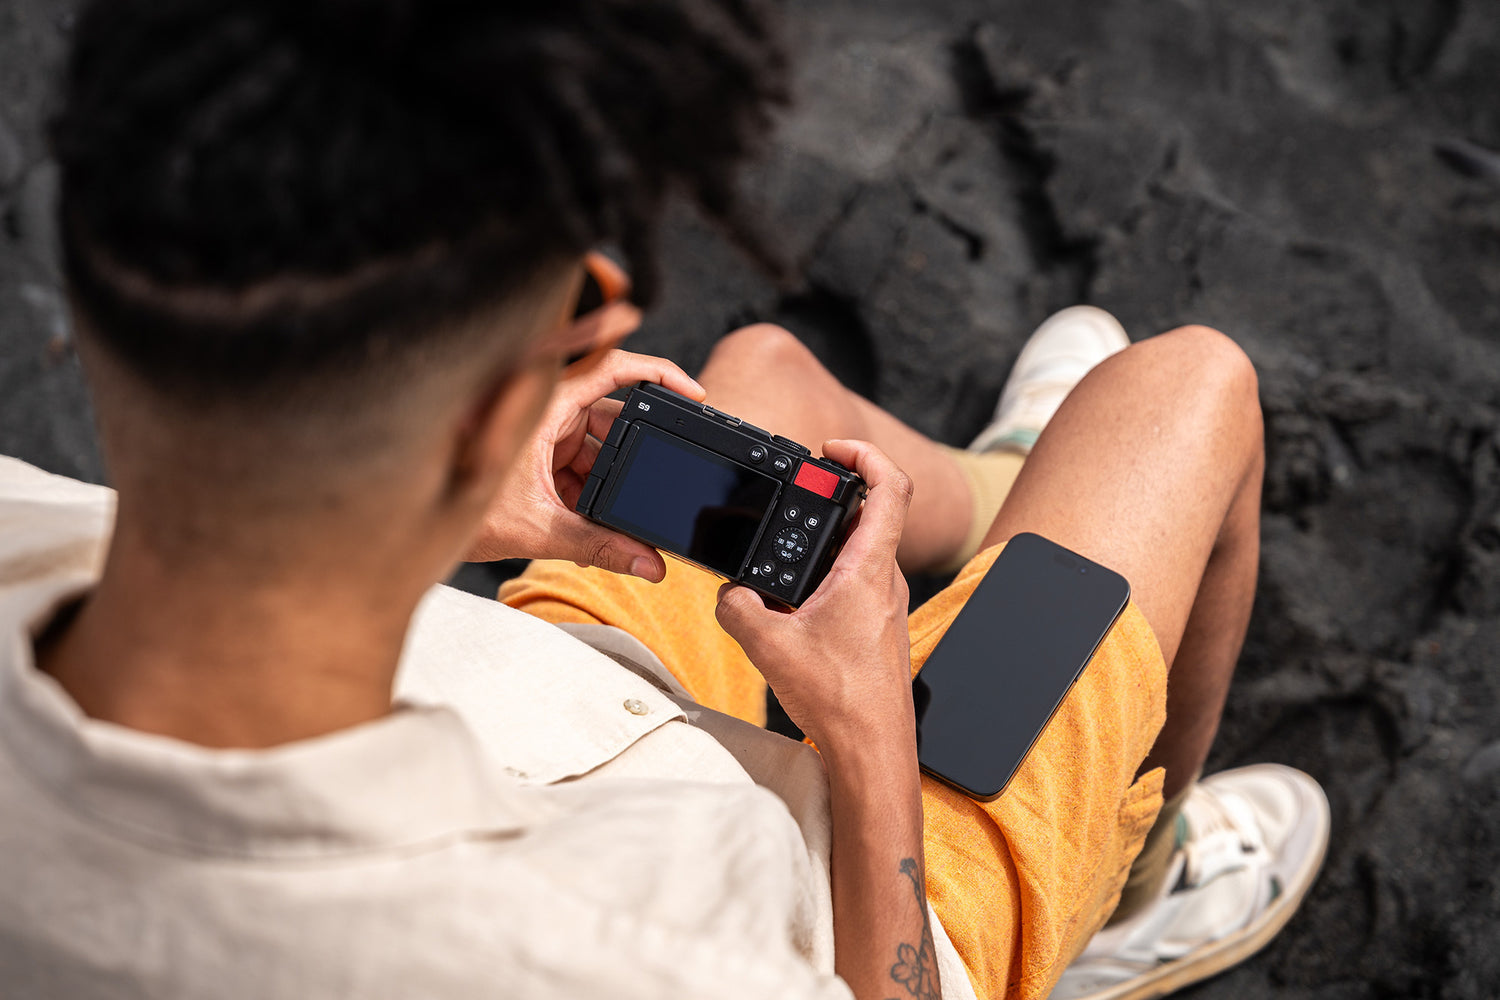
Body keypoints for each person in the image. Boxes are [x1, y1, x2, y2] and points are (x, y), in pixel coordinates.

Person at [0, 1, 1329, 998]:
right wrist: (869, 733)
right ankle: (1131, 897)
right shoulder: (623, 964)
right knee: (1185, 395)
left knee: (761, 381)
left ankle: (1011, 494)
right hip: (861, 899)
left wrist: (440, 511)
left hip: (557, 688)